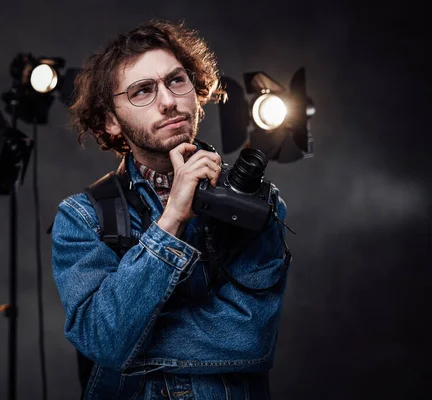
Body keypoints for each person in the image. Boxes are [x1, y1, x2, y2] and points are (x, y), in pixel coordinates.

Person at [51, 19, 291, 400]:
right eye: (142, 91)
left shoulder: (256, 205)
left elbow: (250, 338)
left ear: (196, 91)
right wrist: (171, 220)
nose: (168, 100)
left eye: (176, 81)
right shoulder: (82, 217)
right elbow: (101, 337)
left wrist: (129, 344)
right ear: (111, 121)